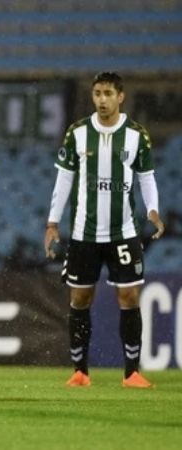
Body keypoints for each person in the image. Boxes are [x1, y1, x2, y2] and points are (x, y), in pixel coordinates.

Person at [43, 72, 164, 389]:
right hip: (84, 233)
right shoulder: (78, 133)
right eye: (97, 93)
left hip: (123, 231)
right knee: (80, 297)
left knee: (129, 295)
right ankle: (80, 371)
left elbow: (146, 177)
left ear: (120, 96)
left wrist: (153, 209)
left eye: (108, 93)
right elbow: (64, 178)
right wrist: (52, 222)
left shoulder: (136, 135)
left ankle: (131, 372)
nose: (102, 99)